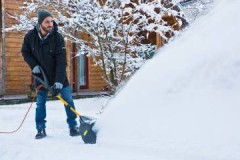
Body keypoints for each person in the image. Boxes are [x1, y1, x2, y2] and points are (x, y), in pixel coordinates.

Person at [21, 9, 80, 139]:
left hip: (58, 77)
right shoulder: (30, 37)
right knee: (40, 103)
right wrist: (34, 65)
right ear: (40, 23)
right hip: (41, 77)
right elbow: (25, 52)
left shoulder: (57, 38)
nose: (50, 24)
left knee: (68, 101)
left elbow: (62, 62)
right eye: (47, 22)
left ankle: (73, 126)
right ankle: (40, 129)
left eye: (51, 21)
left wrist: (58, 82)